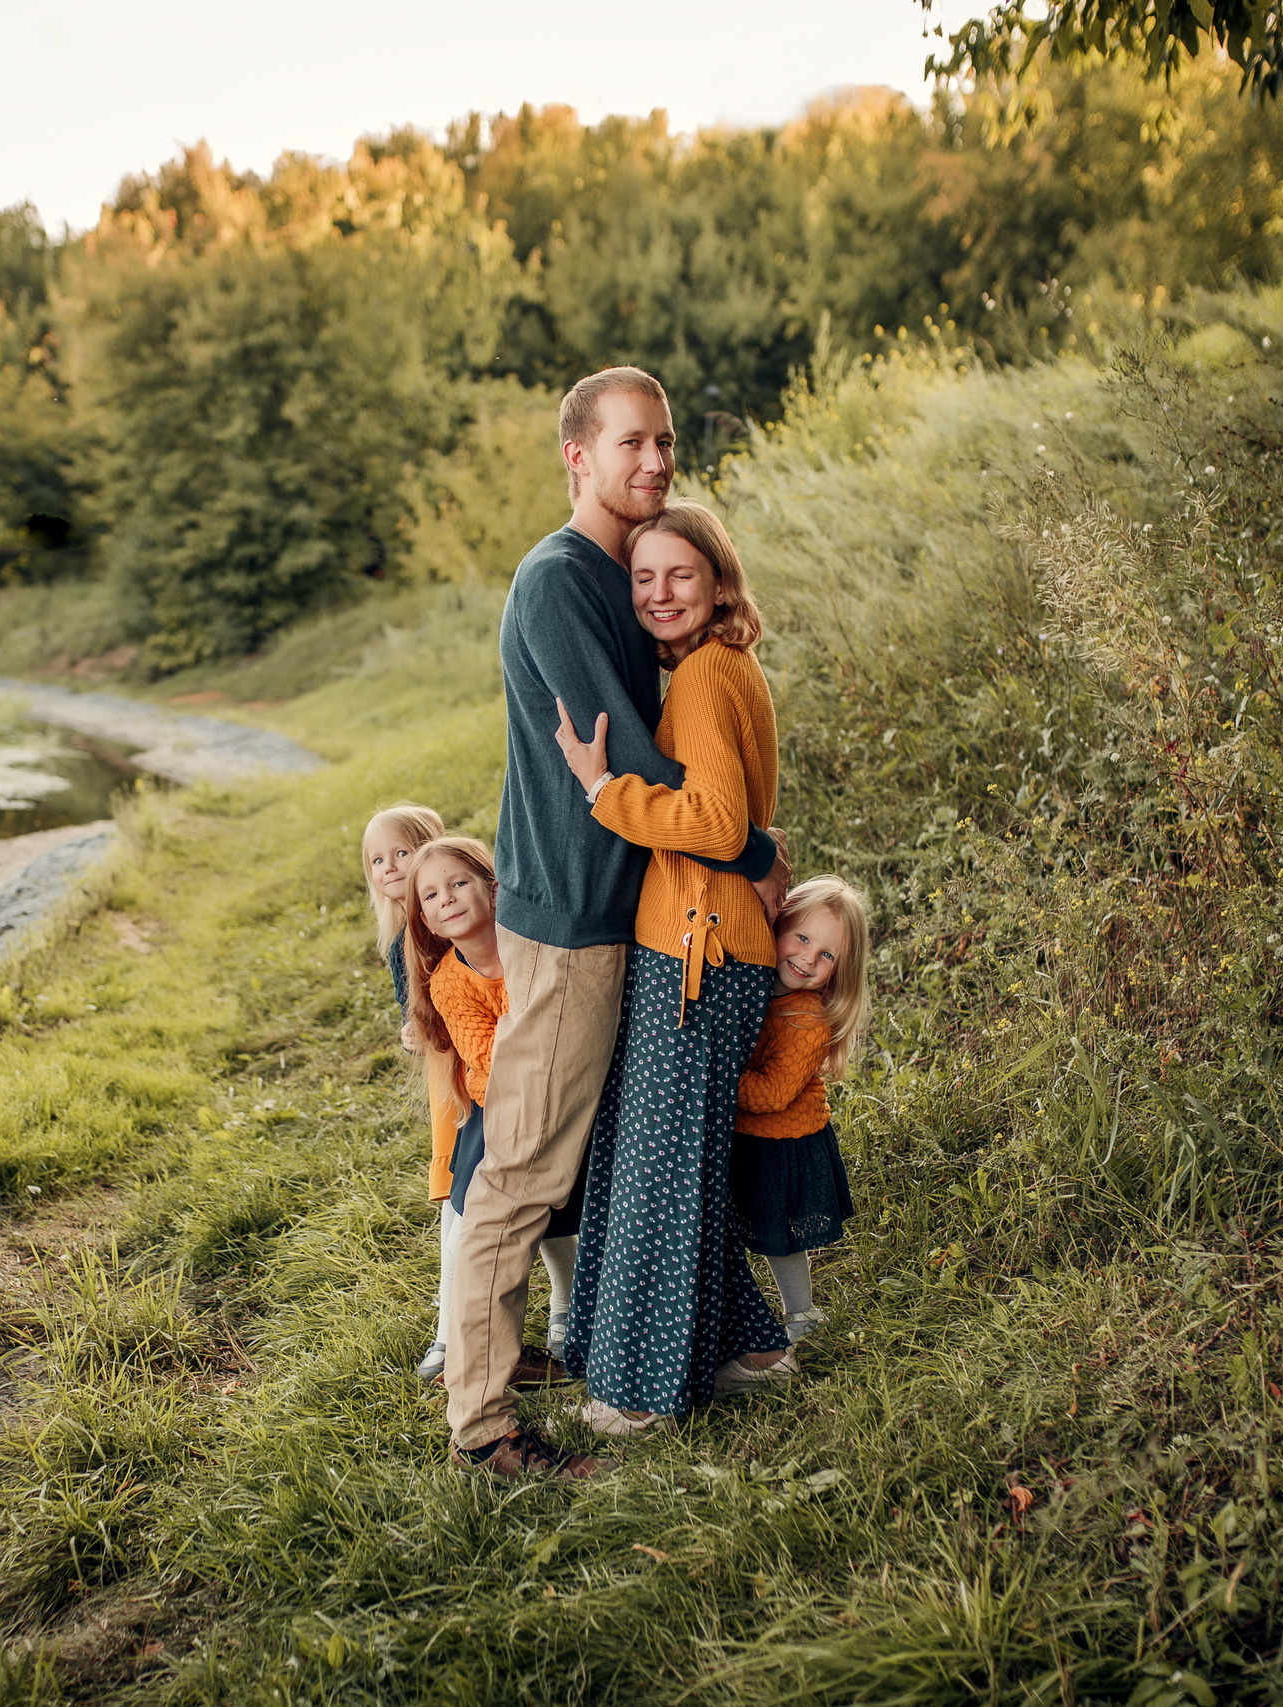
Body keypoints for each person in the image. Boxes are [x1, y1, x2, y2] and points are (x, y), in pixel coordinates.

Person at [448, 368, 786, 1479]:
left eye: (665, 442)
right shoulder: (557, 581)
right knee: (523, 1170)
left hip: (630, 913)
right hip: (576, 919)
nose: (654, 462)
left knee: (607, 1152)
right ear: (577, 457)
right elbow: (633, 761)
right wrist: (749, 849)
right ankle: (484, 1426)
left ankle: (678, 1339)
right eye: (631, 443)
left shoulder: (626, 573)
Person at [552, 501, 796, 1436]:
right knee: (667, 1155)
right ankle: (748, 1347)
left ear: (718, 581)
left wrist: (604, 790)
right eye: (643, 578)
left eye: (679, 576)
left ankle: (640, 1394)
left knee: (658, 1167)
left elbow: (719, 825)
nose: (658, 593)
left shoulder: (701, 677)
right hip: (707, 944)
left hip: (703, 951)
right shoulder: (725, 667)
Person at [401, 837, 582, 1384]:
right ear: (425, 920)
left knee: (565, 1208)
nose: (447, 900)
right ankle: (458, 1336)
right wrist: (526, 1034)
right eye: (431, 895)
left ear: (493, 887)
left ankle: (568, 1310)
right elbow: (488, 1062)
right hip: (493, 1105)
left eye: (459, 883)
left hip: (568, 1088)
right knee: (476, 1210)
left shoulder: (529, 946)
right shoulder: (450, 982)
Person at [731, 876, 871, 1345]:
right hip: (745, 1134)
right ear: (778, 923)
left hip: (783, 1142)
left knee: (780, 1237)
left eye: (827, 955)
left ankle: (802, 1314)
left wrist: (714, 1076)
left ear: (839, 970)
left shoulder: (808, 1018)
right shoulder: (752, 983)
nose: (808, 958)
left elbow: (771, 1094)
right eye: (803, 938)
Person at [359, 802, 456, 1380]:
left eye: (402, 852)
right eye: (377, 859)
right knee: (455, 1194)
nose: (391, 867)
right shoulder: (399, 939)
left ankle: (451, 1333)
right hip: (444, 1075)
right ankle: (450, 1324)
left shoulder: (439, 924)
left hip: (468, 1071)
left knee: (463, 1197)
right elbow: (418, 1014)